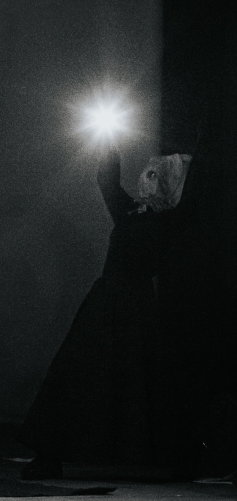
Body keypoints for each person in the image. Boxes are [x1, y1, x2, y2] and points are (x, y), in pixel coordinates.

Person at [19, 145, 194, 479]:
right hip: (107, 303)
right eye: (150, 173)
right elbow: (108, 182)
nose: (149, 178)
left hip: (133, 308)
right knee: (78, 373)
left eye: (158, 175)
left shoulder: (171, 224)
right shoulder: (135, 213)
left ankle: (151, 457)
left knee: (132, 380)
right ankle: (50, 454)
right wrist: (109, 142)